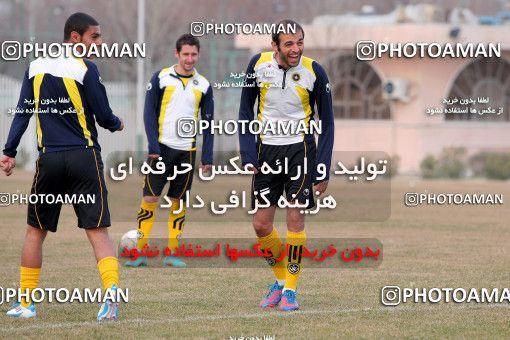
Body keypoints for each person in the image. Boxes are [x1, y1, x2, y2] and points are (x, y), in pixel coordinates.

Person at [0, 12, 124, 321]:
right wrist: (117, 123)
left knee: (34, 233)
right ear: (75, 37)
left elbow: (22, 113)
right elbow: (104, 114)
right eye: (94, 37)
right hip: (83, 157)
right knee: (98, 234)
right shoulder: (86, 69)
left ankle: (26, 304)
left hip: (50, 160)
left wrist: (9, 151)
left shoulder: (35, 66)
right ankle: (111, 300)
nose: (99, 43)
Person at [238, 19, 334, 311]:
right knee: (261, 224)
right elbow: (245, 110)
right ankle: (281, 280)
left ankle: (290, 291)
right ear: (275, 45)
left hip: (301, 150)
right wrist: (247, 152)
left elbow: (327, 123)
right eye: (289, 43)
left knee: (295, 220)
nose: (296, 49)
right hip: (266, 150)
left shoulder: (314, 71)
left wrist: (323, 166)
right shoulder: (257, 65)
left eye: (300, 42)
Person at [124, 33, 214, 268]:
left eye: (194, 54)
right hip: (161, 150)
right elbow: (148, 113)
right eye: (186, 54)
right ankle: (139, 253)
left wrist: (207, 157)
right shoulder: (161, 78)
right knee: (150, 197)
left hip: (187, 152)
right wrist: (153, 145)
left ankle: (173, 253)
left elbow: (208, 123)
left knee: (178, 201)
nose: (190, 59)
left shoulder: (203, 85)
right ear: (177, 54)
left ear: (198, 55)